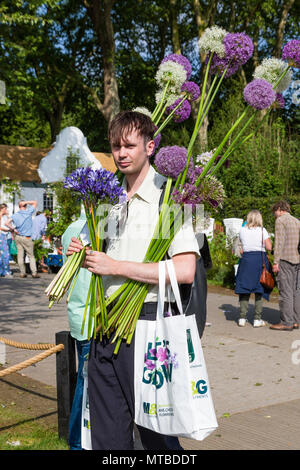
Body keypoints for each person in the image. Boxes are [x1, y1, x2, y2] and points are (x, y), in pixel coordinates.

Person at [66, 111, 200, 450]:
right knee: (108, 438)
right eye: (115, 146)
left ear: (150, 146)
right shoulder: (107, 196)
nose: (121, 153)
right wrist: (81, 251)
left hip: (147, 328)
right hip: (103, 327)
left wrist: (117, 267)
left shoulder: (171, 198)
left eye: (129, 145)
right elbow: (97, 254)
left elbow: (185, 271)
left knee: (158, 438)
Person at [61, 215, 92, 450]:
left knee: (86, 382)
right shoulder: (91, 230)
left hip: (79, 316)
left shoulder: (70, 228)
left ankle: (80, 441)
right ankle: (77, 442)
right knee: (86, 384)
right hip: (94, 319)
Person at [235, 210, 272, 327]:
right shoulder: (262, 231)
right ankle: (257, 319)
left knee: (244, 288)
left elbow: (241, 248)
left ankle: (242, 318)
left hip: (246, 260)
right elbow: (269, 247)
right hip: (259, 261)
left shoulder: (242, 230)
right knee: (259, 289)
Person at [270, 201, 300, 331]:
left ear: (279, 209)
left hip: (285, 259)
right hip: (297, 259)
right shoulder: (296, 221)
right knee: (296, 292)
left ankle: (286, 322)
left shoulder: (281, 221)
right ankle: (296, 321)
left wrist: (276, 262)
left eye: (274, 212)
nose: (274, 215)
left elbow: (279, 242)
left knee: (285, 292)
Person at [5, 200, 40, 278]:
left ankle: (22, 273)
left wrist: (13, 229)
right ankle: (34, 273)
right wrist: (27, 202)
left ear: (19, 206)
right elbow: (35, 202)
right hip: (27, 237)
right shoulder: (28, 212)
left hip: (18, 237)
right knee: (31, 256)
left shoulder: (15, 215)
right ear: (25, 206)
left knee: (20, 256)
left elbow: (6, 223)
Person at [0, 204, 13, 277]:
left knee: (2, 255)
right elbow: (0, 227)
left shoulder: (4, 216)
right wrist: (10, 229)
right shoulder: (0, 216)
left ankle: (2, 271)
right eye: (6, 209)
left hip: (3, 235)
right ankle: (6, 271)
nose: (6, 210)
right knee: (5, 254)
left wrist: (8, 216)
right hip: (1, 236)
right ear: (3, 209)